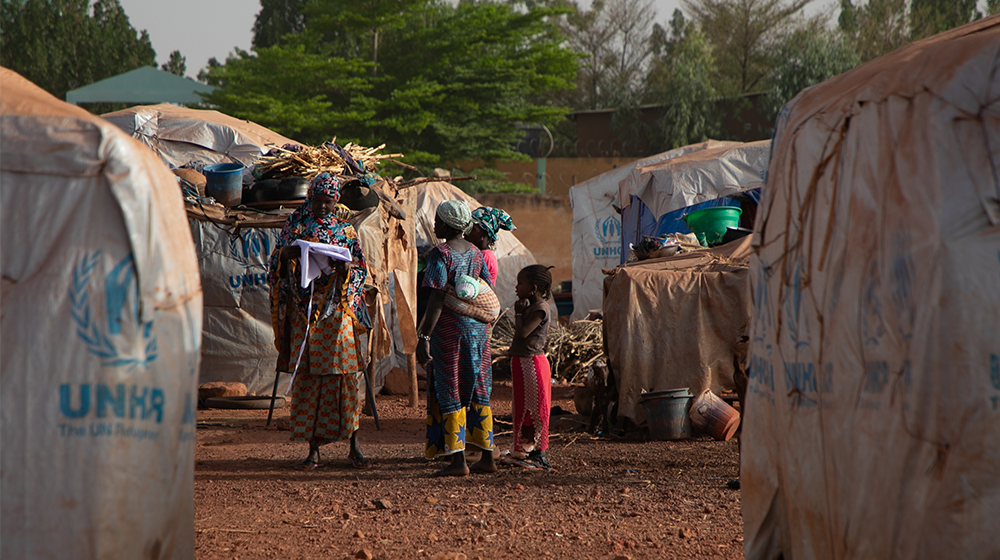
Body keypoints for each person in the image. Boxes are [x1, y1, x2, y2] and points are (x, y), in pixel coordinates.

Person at [268, 172, 374, 470]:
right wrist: (287, 254)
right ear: (309, 198)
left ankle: (354, 447)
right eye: (317, 201)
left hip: (337, 313)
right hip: (304, 314)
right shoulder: (295, 225)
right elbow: (275, 263)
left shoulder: (346, 232)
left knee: (344, 376)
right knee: (309, 378)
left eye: (328, 202)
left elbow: (360, 270)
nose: (322, 207)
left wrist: (345, 271)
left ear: (336, 200)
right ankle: (313, 450)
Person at [416, 200, 497, 476]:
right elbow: (484, 286)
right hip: (478, 331)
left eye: (438, 221)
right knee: (478, 385)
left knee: (451, 385)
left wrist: (424, 336)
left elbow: (436, 298)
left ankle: (458, 461)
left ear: (448, 224)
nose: (435, 225)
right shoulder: (476, 253)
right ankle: (487, 456)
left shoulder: (440, 254)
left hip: (451, 332)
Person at [508, 264, 555, 469]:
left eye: (521, 283)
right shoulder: (530, 306)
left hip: (532, 364)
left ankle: (539, 453)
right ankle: (525, 448)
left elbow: (522, 333)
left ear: (533, 288)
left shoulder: (540, 309)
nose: (516, 287)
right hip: (522, 362)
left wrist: (518, 313)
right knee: (523, 408)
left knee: (537, 409)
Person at [465, 206, 516, 286]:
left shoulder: (486, 257)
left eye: (472, 229)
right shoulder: (475, 252)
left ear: (484, 234)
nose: (466, 232)